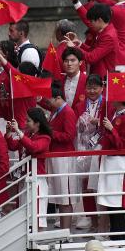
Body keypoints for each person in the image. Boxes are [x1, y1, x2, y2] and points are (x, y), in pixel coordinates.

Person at [5, 108, 52, 229]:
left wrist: (19, 132)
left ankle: (37, 242)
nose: (25, 123)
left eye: (28, 121)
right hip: (24, 177)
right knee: (23, 211)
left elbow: (33, 147)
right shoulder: (27, 134)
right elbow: (13, 146)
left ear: (37, 123)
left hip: (37, 179)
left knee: (36, 213)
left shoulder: (45, 137)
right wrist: (9, 133)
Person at [72, 0, 125, 67]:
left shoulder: (117, 11)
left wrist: (75, 1)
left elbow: (92, 19)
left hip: (114, 55)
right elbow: (107, 1)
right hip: (120, 52)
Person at [97, 97, 125, 240]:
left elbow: (123, 146)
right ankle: (113, 235)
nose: (110, 98)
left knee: (117, 201)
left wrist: (112, 129)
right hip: (109, 161)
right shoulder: (114, 113)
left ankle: (118, 238)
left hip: (119, 162)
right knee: (110, 200)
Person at [73, 74, 105, 232]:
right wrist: (79, 125)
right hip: (84, 149)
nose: (92, 91)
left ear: (102, 88)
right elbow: (74, 126)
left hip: (100, 148)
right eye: (89, 88)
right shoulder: (79, 105)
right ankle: (93, 221)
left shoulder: (107, 103)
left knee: (101, 186)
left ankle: (105, 222)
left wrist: (98, 122)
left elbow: (110, 124)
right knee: (86, 187)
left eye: (95, 87)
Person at [46, 83, 78, 231]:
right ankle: (64, 230)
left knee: (65, 197)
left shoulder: (67, 112)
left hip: (64, 158)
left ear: (58, 98)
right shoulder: (57, 111)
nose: (48, 104)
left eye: (49, 101)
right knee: (61, 196)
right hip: (57, 156)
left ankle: (66, 232)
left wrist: (50, 133)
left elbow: (69, 136)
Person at [69, 4, 120, 76]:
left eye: (91, 21)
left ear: (100, 20)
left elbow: (91, 58)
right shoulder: (104, 31)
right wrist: (80, 44)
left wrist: (74, 48)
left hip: (103, 77)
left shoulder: (108, 36)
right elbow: (93, 50)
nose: (90, 24)